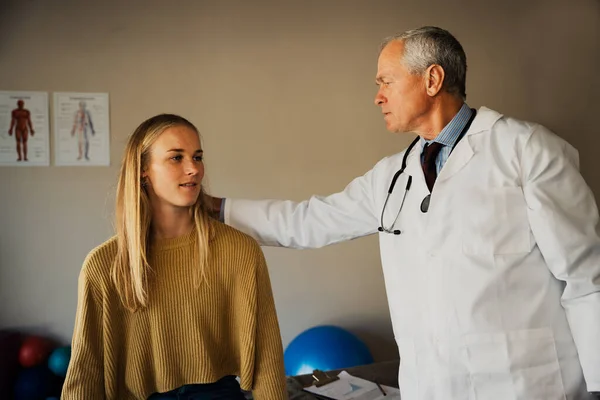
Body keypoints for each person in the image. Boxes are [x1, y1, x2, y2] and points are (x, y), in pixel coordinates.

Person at [209, 27, 600, 399]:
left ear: (432, 80)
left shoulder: (527, 150)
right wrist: (214, 209)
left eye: (386, 81)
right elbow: (307, 222)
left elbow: (587, 276)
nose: (377, 96)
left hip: (528, 384)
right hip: (432, 385)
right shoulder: (392, 176)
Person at [62, 114, 286, 399]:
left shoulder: (241, 251)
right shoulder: (103, 266)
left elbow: (267, 357)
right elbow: (85, 372)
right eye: (176, 158)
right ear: (144, 169)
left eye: (198, 156)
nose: (193, 169)